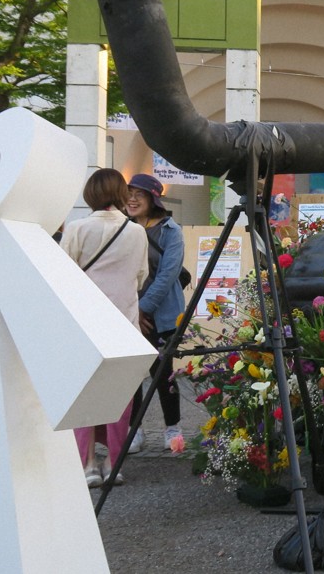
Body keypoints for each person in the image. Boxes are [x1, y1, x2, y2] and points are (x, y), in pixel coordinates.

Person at [60, 168, 149, 487]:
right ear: (121, 194)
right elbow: (140, 277)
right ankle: (113, 463)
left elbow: (64, 276)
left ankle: (86, 464)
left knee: (83, 396)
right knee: (118, 398)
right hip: (123, 326)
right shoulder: (136, 231)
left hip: (84, 325)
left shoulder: (77, 228)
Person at [126, 173, 187, 450]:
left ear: (153, 199)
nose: (132, 198)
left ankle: (172, 427)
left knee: (164, 374)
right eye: (129, 192)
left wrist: (143, 309)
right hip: (127, 313)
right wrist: (131, 311)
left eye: (139, 194)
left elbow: (167, 276)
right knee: (132, 375)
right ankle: (134, 429)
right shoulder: (122, 229)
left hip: (160, 315)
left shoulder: (171, 231)